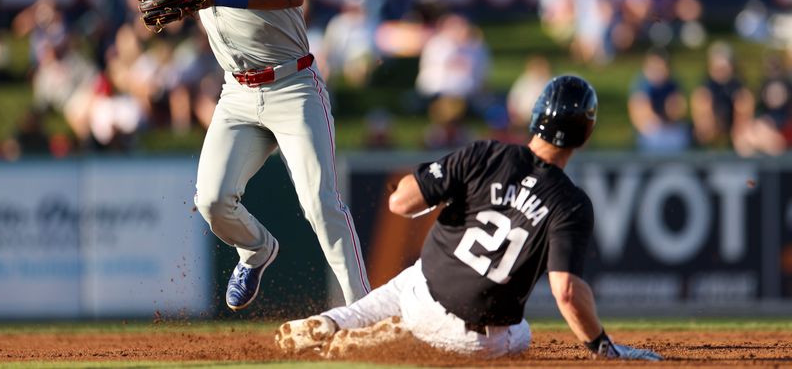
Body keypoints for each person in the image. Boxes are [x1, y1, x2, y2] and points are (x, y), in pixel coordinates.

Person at [95, 0, 370, 310]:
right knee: (212, 201)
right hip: (236, 93)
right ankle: (258, 249)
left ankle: (364, 311)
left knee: (321, 205)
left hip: (293, 85)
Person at [275, 76, 662, 361]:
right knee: (521, 335)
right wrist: (601, 346)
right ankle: (388, 336)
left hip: (424, 287)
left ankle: (333, 322)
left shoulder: (485, 155)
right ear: (585, 134)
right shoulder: (570, 203)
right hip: (475, 335)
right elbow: (566, 292)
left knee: (396, 291)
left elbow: (403, 203)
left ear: (537, 115)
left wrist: (439, 180)